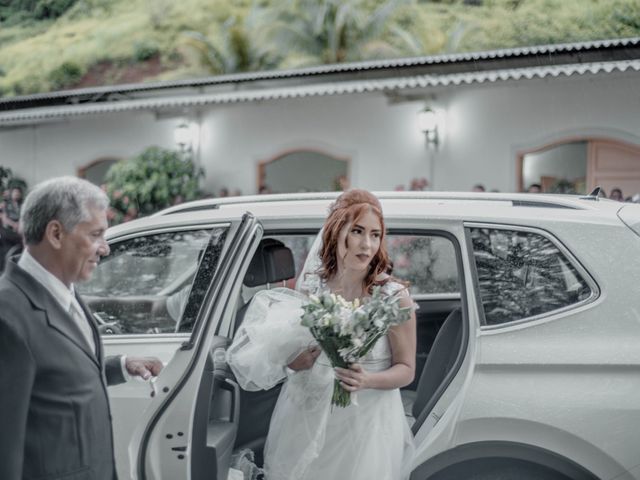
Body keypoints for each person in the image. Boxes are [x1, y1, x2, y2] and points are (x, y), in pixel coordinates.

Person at [228, 189, 416, 480]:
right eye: (357, 231)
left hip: (365, 423)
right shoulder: (313, 288)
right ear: (336, 232)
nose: (367, 244)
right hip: (307, 416)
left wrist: (367, 380)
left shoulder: (393, 297)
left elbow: (406, 370)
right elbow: (294, 349)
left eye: (375, 235)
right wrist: (295, 360)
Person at [0, 176, 163, 480]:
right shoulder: (8, 317)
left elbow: (53, 374)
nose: (105, 248)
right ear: (56, 233)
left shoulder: (65, 289)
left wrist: (120, 366)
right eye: (96, 234)